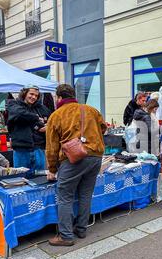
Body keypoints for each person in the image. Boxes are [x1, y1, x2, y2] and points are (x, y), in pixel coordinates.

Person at [46, 84, 107, 246]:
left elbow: (51, 147)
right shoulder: (91, 110)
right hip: (95, 156)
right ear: (73, 95)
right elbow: (104, 127)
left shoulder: (56, 115)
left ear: (59, 98)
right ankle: (81, 229)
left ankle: (65, 236)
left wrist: (52, 169)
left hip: (73, 158)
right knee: (86, 194)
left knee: (65, 197)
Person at [6, 85, 51, 175]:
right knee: (20, 179)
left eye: (36, 96)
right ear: (24, 93)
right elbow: (19, 113)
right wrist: (36, 118)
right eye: (31, 94)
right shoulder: (13, 104)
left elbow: (52, 119)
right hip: (21, 149)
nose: (34, 97)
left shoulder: (41, 108)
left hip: (38, 148)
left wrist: (48, 127)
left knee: (40, 177)